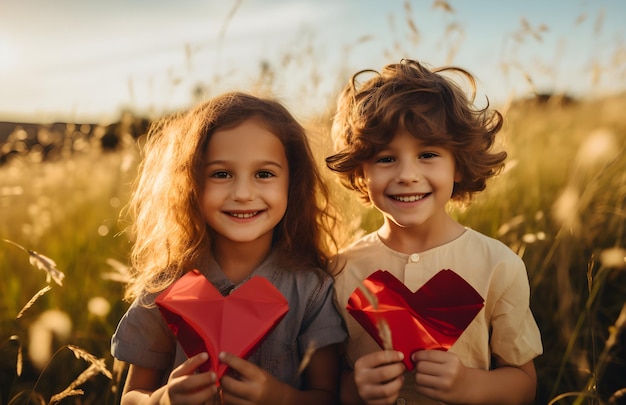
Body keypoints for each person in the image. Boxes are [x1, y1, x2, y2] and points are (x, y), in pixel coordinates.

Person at [325, 59, 543, 405]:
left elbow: (524, 384)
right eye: (385, 158)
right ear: (359, 172)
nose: (407, 175)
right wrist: (356, 388)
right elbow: (327, 385)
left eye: (427, 154)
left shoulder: (498, 265)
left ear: (458, 165)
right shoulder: (339, 271)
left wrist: (470, 385)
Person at [111, 91, 347, 404]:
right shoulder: (165, 288)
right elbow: (130, 397)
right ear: (192, 183)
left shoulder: (312, 290)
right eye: (221, 174)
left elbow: (327, 397)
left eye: (264, 174)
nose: (243, 193)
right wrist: (163, 399)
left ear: (293, 182)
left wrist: (277, 397)